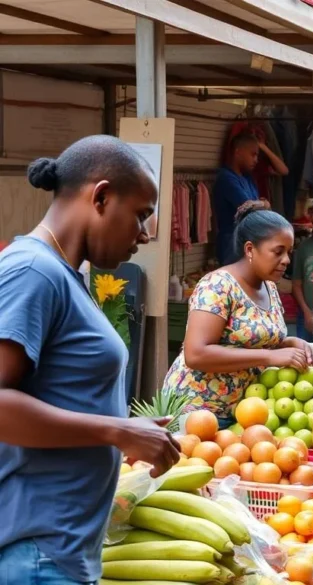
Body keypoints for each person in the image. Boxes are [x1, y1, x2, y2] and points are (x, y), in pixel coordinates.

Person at [0, 136, 181, 584]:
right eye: (140, 214)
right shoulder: (33, 272)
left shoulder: (66, 273)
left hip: (60, 550)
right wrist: (117, 431)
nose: (144, 233)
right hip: (37, 551)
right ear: (100, 197)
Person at [163, 206, 313, 420]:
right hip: (198, 411)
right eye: (278, 251)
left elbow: (250, 340)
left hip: (243, 412)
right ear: (249, 249)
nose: (286, 260)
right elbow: (196, 354)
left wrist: (289, 343)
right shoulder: (218, 285)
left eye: (289, 253)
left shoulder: (269, 287)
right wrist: (270, 356)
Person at [213, 133, 289, 266]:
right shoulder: (226, 178)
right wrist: (264, 204)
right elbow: (249, 206)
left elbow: (283, 170)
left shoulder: (248, 178)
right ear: (238, 152)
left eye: (257, 155)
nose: (256, 160)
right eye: (253, 154)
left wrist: (262, 204)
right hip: (232, 245)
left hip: (248, 241)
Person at [292, 196, 313, 342]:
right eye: (311, 213)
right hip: (307, 313)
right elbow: (297, 284)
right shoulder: (305, 247)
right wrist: (306, 312)